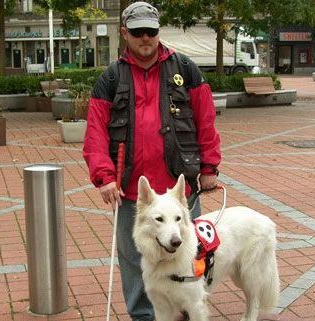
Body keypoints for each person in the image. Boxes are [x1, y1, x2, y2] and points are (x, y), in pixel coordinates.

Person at [83, 2, 221, 320]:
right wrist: (104, 177)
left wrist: (209, 167)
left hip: (178, 190)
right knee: (133, 259)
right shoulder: (111, 77)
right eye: (137, 32)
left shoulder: (185, 69)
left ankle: (185, 310)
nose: (145, 38)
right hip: (133, 192)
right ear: (124, 33)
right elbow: (95, 133)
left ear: (159, 31)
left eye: (151, 31)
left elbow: (206, 120)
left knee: (186, 255)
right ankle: (144, 316)